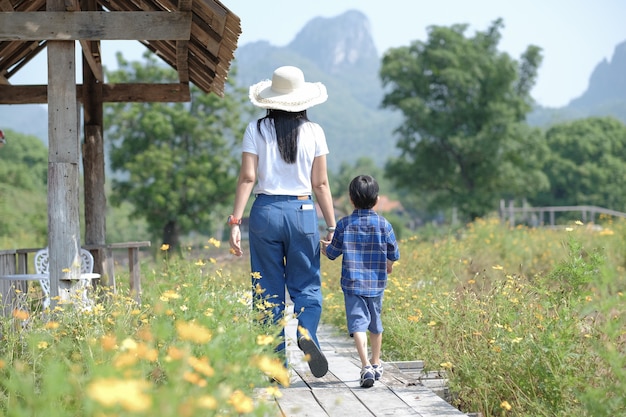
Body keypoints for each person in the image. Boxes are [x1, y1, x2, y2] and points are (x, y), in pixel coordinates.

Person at [228, 66, 336, 378]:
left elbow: (248, 177)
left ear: (270, 100)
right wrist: (331, 226)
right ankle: (307, 334)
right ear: (303, 100)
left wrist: (235, 221)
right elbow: (321, 185)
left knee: (266, 290)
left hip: (265, 212)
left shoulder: (255, 129)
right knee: (306, 285)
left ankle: (275, 364)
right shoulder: (315, 132)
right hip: (303, 212)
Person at [321, 174, 400, 388]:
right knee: (376, 323)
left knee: (357, 324)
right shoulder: (384, 224)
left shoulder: (344, 224)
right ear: (376, 200)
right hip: (376, 284)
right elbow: (394, 252)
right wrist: (389, 265)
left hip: (352, 284)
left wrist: (324, 246)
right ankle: (376, 362)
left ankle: (365, 365)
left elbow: (332, 253)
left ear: (351, 199)